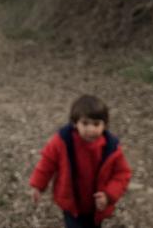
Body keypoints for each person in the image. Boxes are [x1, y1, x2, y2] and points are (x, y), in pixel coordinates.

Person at [29, 95, 131, 228]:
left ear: (104, 125)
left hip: (97, 205)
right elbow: (47, 162)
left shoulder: (111, 148)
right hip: (72, 204)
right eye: (85, 123)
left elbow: (122, 173)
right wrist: (37, 185)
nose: (90, 129)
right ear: (75, 123)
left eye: (96, 124)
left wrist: (109, 194)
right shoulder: (62, 141)